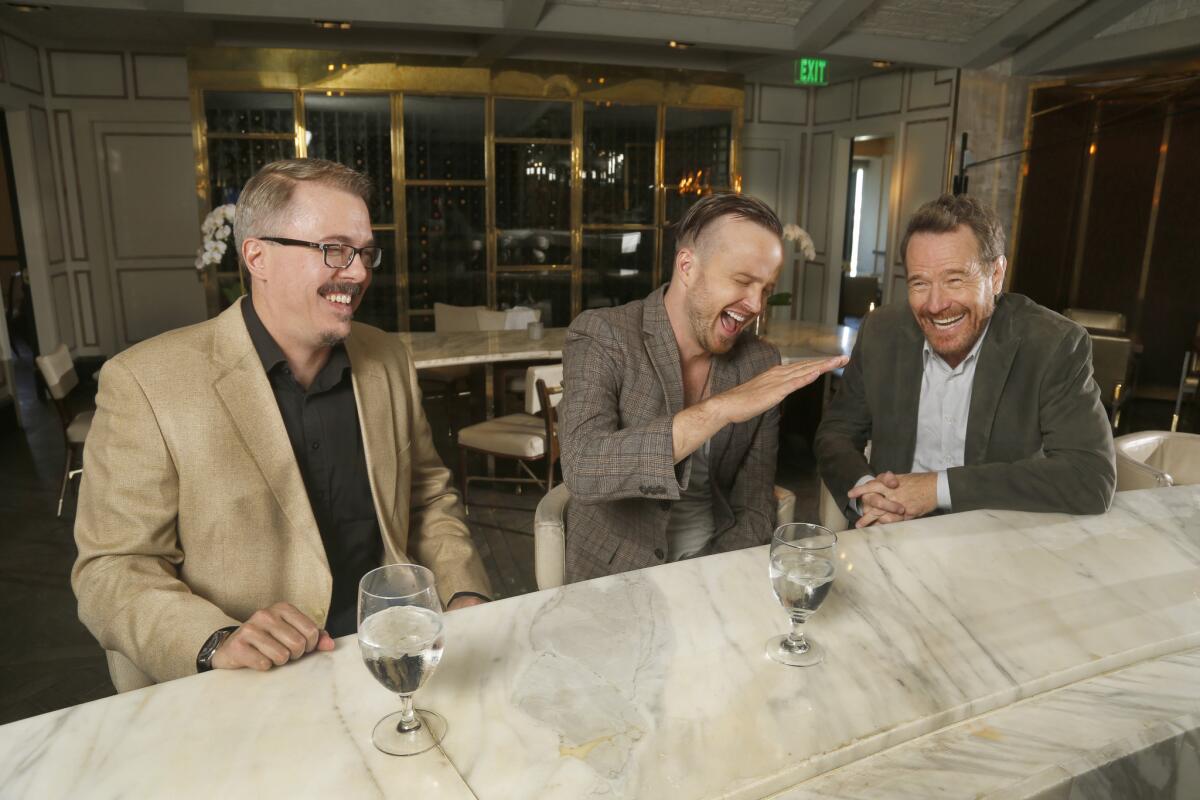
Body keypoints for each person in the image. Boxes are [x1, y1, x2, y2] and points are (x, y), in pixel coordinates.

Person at [73, 159, 491, 692]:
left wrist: (462, 593)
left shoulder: (386, 357)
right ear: (257, 256)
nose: (359, 272)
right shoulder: (144, 382)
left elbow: (428, 497)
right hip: (242, 686)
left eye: (365, 253)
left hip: (389, 655)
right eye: (334, 250)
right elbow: (112, 569)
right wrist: (213, 640)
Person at [559, 193, 846, 582]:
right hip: (614, 576)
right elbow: (584, 465)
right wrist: (719, 409)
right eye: (743, 281)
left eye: (766, 288)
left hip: (713, 563)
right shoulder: (603, 334)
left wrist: (717, 576)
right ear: (687, 266)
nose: (757, 304)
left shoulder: (759, 362)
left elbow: (754, 504)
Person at [815, 194, 1115, 528]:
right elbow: (836, 434)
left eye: (955, 279)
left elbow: (1090, 477)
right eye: (920, 283)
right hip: (892, 533)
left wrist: (936, 488)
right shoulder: (882, 332)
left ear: (996, 274)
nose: (935, 304)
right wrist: (866, 492)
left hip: (995, 540)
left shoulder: (1052, 344)